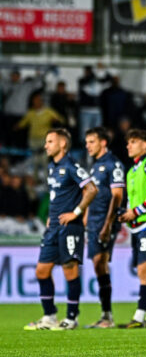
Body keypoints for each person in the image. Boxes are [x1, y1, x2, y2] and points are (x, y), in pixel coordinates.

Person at [24, 128, 97, 330]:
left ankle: (72, 318)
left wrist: (76, 212)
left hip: (70, 227)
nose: (45, 145)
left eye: (50, 141)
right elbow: (58, 195)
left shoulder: (72, 166)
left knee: (69, 270)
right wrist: (51, 215)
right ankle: (49, 316)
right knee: (41, 271)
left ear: (62, 144)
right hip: (54, 227)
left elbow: (92, 189)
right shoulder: (52, 168)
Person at [82, 127, 125, 328]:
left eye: (91, 141)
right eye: (86, 142)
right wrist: (86, 218)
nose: (87, 146)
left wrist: (108, 224)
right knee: (98, 265)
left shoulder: (113, 164)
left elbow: (117, 195)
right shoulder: (95, 166)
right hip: (93, 221)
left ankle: (107, 316)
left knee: (101, 261)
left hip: (106, 221)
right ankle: (105, 315)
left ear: (103, 142)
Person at [118, 128, 146, 328]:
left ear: (145, 145)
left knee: (144, 270)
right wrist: (127, 213)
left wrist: (135, 212)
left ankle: (139, 316)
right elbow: (132, 198)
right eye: (128, 142)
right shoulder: (131, 170)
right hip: (136, 226)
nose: (128, 145)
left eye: (133, 142)